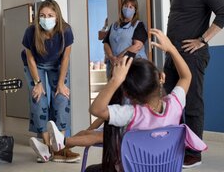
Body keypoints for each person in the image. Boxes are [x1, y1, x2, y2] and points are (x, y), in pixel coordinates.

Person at [82, 29, 205, 171]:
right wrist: (171, 49)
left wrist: (116, 80)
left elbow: (96, 109)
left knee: (92, 169)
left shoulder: (131, 114)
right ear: (161, 78)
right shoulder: (175, 104)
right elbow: (186, 76)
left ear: (127, 94)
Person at [165, 0, 224, 168]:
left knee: (192, 103)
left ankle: (194, 151)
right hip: (173, 54)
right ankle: (177, 145)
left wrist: (203, 39)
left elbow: (223, 11)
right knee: (171, 102)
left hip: (192, 55)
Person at [21, 0, 79, 163]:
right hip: (34, 65)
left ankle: (59, 147)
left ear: (57, 16)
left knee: (62, 97)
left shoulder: (66, 31)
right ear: (38, 17)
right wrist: (38, 83)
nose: (46, 18)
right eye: (42, 15)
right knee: (38, 98)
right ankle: (46, 147)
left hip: (57, 64)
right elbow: (30, 59)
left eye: (50, 15)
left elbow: (66, 58)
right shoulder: (31, 31)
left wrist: (61, 83)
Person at [103, 0, 148, 78]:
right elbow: (106, 43)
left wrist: (119, 58)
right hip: (114, 65)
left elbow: (137, 46)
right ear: (122, 8)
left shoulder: (138, 25)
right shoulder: (114, 25)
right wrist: (111, 57)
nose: (128, 9)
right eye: (126, 6)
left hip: (132, 65)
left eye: (131, 7)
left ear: (135, 11)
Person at [31, 118, 104, 163]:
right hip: (110, 130)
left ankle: (60, 143)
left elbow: (96, 110)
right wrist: (85, 133)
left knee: (98, 136)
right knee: (83, 132)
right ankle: (49, 151)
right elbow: (101, 117)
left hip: (112, 134)